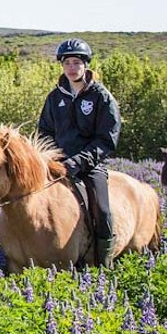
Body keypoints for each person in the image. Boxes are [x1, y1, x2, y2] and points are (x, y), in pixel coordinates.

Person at [37, 38, 121, 266]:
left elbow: (106, 140)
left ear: (85, 65)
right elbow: (44, 132)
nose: (72, 68)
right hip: (57, 165)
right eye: (67, 63)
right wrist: (51, 159)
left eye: (76, 62)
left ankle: (103, 263)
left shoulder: (101, 97)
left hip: (90, 166)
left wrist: (78, 162)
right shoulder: (55, 98)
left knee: (102, 211)